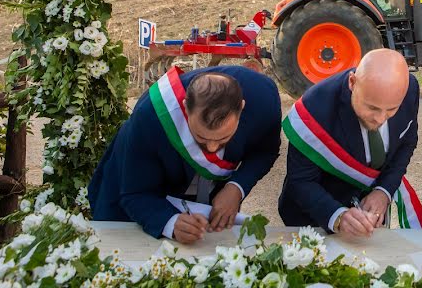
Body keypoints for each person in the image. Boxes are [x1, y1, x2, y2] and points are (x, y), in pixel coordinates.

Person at [88, 66, 282, 243]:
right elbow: (135, 192)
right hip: (147, 190)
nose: (213, 148)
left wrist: (236, 188)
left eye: (223, 138)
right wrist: (170, 222)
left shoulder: (264, 101)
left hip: (207, 198)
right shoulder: (149, 118)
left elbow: (265, 152)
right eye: (201, 137)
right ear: (185, 107)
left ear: (242, 107)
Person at [279, 49, 422, 236]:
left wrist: (383, 191)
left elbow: (406, 143)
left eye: (391, 109)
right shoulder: (314, 109)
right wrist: (336, 216)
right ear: (352, 82)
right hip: (315, 220)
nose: (381, 119)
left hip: (369, 221)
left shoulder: (409, 89)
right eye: (372, 107)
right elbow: (300, 181)